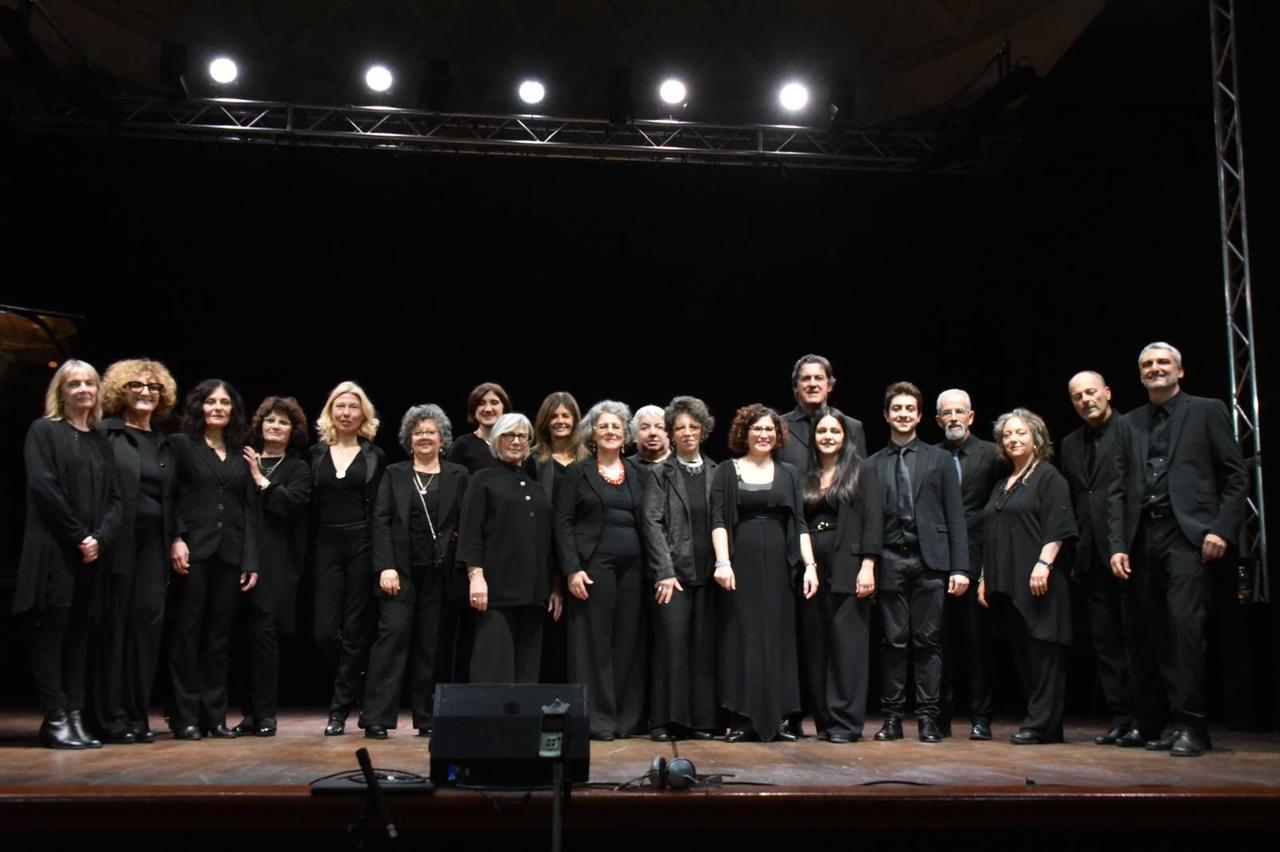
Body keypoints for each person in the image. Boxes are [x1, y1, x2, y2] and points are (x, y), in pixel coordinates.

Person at [1108, 342, 1248, 757]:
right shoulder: (1129, 423)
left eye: (1162, 363)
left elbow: (1235, 477)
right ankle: (1152, 721)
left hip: (1187, 534)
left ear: (1180, 371)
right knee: (1147, 635)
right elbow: (1117, 490)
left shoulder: (1206, 410)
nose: (1155, 369)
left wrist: (1221, 530)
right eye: (1147, 365)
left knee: (1184, 629)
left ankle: (1192, 726)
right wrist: (1117, 544)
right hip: (1141, 536)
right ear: (1140, 375)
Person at [15, 360, 120, 749]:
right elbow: (44, 487)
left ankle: (76, 716)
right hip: (55, 549)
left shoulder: (99, 437)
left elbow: (115, 499)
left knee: (80, 635)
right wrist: (80, 536)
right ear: (60, 391)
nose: (83, 390)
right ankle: (55, 716)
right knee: (53, 632)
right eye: (74, 384)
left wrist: (100, 538)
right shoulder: (43, 431)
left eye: (89, 383)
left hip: (92, 553)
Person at [711, 403, 818, 743]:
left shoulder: (787, 472)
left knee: (778, 638)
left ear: (777, 434)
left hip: (780, 566)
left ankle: (778, 718)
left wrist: (810, 566)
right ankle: (743, 718)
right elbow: (718, 521)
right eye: (757, 428)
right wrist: (722, 562)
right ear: (745, 433)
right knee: (744, 637)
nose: (764, 434)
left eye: (769, 429)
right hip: (740, 562)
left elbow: (799, 523)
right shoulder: (728, 471)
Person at [869, 382, 969, 744]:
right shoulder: (872, 464)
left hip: (931, 562)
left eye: (909, 408)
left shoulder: (939, 459)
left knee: (929, 641)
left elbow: (955, 516)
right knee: (893, 642)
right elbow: (869, 521)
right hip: (891, 559)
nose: (903, 414)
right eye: (896, 408)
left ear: (920, 415)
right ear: (886, 414)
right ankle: (893, 719)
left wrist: (960, 567)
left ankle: (928, 718)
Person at [88, 359, 178, 745]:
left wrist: (177, 537)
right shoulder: (105, 434)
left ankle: (137, 715)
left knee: (146, 632)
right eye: (136, 385)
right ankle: (109, 717)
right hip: (115, 545)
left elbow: (173, 499)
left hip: (154, 548)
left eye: (153, 387)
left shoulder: (163, 442)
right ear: (120, 391)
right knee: (114, 630)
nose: (146, 392)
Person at [365, 405, 469, 738]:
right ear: (409, 439)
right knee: (391, 639)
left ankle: (427, 718)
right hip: (401, 572)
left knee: (432, 646)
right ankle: (378, 718)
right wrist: (386, 567)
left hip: (441, 575)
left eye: (431, 432)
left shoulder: (458, 475)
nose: (425, 437)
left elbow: (464, 524)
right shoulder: (394, 473)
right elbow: (380, 521)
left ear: (442, 439)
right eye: (418, 432)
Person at [978, 408, 1077, 744]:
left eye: (1020, 433)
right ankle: (1045, 724)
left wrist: (1044, 564)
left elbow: (1058, 526)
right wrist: (983, 577)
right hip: (1006, 584)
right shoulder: (1002, 484)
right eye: (1007, 435)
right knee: (1024, 655)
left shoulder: (1049, 477)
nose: (1013, 439)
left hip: (1039, 580)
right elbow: (990, 532)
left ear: (1036, 437)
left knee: (1044, 652)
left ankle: (1040, 724)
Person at [168, 379, 259, 740]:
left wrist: (250, 559)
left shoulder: (242, 452)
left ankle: (214, 716)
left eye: (225, 402)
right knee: (187, 634)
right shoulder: (180, 445)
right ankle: (184, 715)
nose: (218, 407)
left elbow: (250, 508)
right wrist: (176, 537)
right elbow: (169, 496)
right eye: (211, 402)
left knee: (219, 638)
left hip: (230, 553)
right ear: (199, 407)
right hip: (193, 551)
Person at [556, 400, 649, 740]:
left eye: (616, 427)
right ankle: (598, 719)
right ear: (592, 434)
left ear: (625, 435)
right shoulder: (576, 473)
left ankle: (626, 718)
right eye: (603, 426)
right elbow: (563, 523)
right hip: (593, 564)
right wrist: (572, 569)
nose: (610, 431)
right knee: (595, 642)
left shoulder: (638, 473)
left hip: (634, 565)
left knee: (628, 641)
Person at [458, 413, 562, 682]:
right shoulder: (482, 479)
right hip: (496, 590)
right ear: (496, 439)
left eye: (522, 436)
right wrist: (476, 576)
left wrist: (554, 586)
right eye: (509, 435)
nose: (516, 441)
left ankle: (521, 724)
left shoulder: (537, 489)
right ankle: (488, 724)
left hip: (534, 591)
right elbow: (471, 532)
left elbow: (547, 542)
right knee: (493, 666)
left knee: (527, 671)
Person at [640, 396, 720, 742]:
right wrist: (664, 571)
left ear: (703, 431)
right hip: (673, 575)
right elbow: (651, 522)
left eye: (693, 427)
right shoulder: (661, 473)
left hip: (709, 574)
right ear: (671, 434)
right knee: (672, 646)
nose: (687, 433)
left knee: (703, 647)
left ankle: (701, 719)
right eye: (680, 428)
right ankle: (665, 720)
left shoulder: (718, 472)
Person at [1060, 371, 1133, 746]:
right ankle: (1122, 716)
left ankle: (1147, 717)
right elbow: (1077, 500)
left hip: (1128, 551)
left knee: (1137, 639)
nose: (1086, 400)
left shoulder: (1131, 429)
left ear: (1107, 392)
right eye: (1077, 396)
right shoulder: (1070, 443)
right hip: (1089, 557)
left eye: (1091, 392)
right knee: (1105, 643)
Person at [800, 410, 882, 742]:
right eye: (822, 431)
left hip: (849, 565)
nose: (828, 436)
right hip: (812, 568)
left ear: (845, 436)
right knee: (817, 646)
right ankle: (825, 720)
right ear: (813, 436)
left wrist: (868, 565)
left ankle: (846, 723)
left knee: (847, 647)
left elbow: (873, 520)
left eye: (835, 430)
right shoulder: (805, 474)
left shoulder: (862, 471)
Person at [310, 381, 386, 736]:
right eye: (339, 406)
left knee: (356, 630)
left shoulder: (375, 455)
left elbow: (380, 509)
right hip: (325, 542)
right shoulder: (314, 453)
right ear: (330, 412)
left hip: (362, 542)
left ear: (363, 414)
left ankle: (338, 710)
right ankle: (356, 679)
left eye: (353, 407)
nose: (346, 413)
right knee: (324, 633)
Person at [233, 396, 312, 738]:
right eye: (269, 420)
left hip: (277, 562)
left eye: (282, 422)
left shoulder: (298, 468)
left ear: (293, 430)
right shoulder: (242, 459)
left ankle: (264, 714)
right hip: (238, 556)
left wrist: (259, 477)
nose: (275, 426)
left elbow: (291, 506)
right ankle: (245, 714)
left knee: (264, 637)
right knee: (238, 637)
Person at [934, 388, 1006, 741]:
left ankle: (981, 716)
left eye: (959, 412)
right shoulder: (930, 457)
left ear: (971, 416)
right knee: (939, 643)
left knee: (978, 644)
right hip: (937, 562)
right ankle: (941, 715)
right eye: (947, 413)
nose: (953, 418)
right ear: (937, 420)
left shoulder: (992, 455)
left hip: (978, 560)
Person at [527, 391, 587, 682]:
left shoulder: (589, 460)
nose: (560, 421)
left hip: (584, 556)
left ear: (576, 420)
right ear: (545, 421)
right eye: (555, 416)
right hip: (544, 555)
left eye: (566, 415)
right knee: (549, 627)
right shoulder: (534, 460)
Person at [778, 354, 867, 471]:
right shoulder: (778, 426)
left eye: (819, 378)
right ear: (795, 386)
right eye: (806, 378)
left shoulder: (852, 427)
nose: (812, 384)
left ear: (829, 385)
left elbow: (861, 476)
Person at [447, 382, 510, 474]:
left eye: (494, 403)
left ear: (504, 408)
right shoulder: (463, 444)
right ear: (473, 409)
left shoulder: (515, 443)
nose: (488, 409)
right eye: (481, 403)